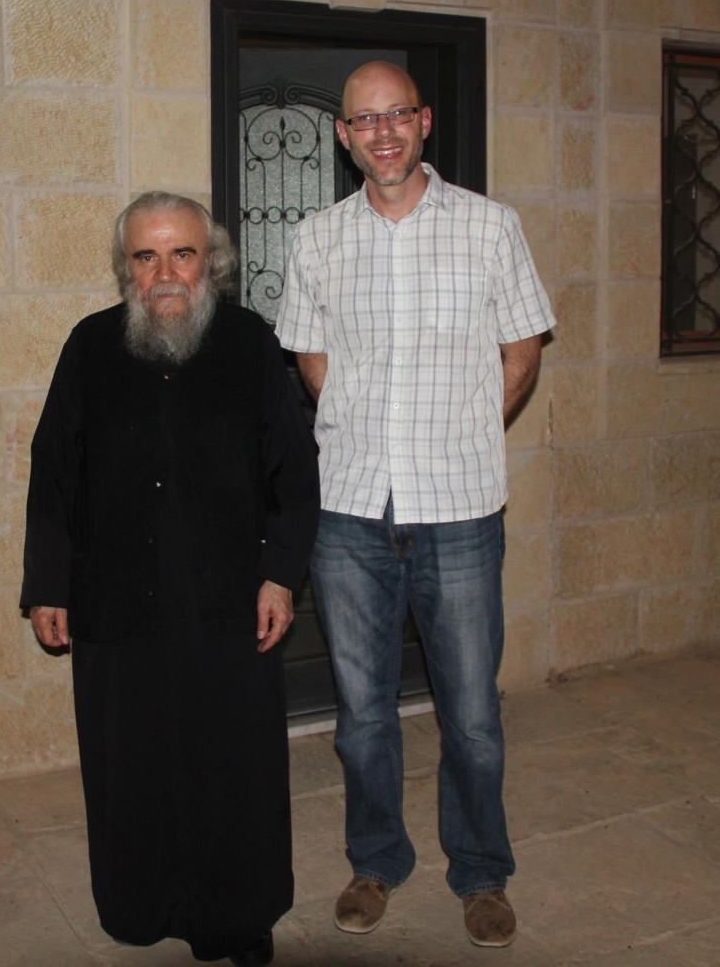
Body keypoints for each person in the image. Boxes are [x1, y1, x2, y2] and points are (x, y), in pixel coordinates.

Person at [276, 62, 555, 950]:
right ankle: (375, 860)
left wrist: (467, 431)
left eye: (397, 114)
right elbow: (312, 360)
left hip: (461, 510)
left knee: (471, 713)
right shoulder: (318, 239)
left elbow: (520, 349)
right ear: (342, 135)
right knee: (361, 716)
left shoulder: (488, 226)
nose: (382, 131)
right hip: (349, 512)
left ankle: (480, 873)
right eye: (364, 119)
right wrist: (362, 432)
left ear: (424, 122)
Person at [21, 191, 319, 966]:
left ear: (209, 260)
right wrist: (48, 584)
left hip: (229, 602)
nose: (165, 273)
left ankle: (239, 916)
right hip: (118, 604)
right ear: (126, 269)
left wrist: (280, 576)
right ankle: (141, 906)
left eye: (180, 253)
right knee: (134, 766)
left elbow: (294, 473)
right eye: (145, 256)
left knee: (234, 771)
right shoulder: (89, 347)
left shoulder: (250, 343)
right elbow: (52, 472)